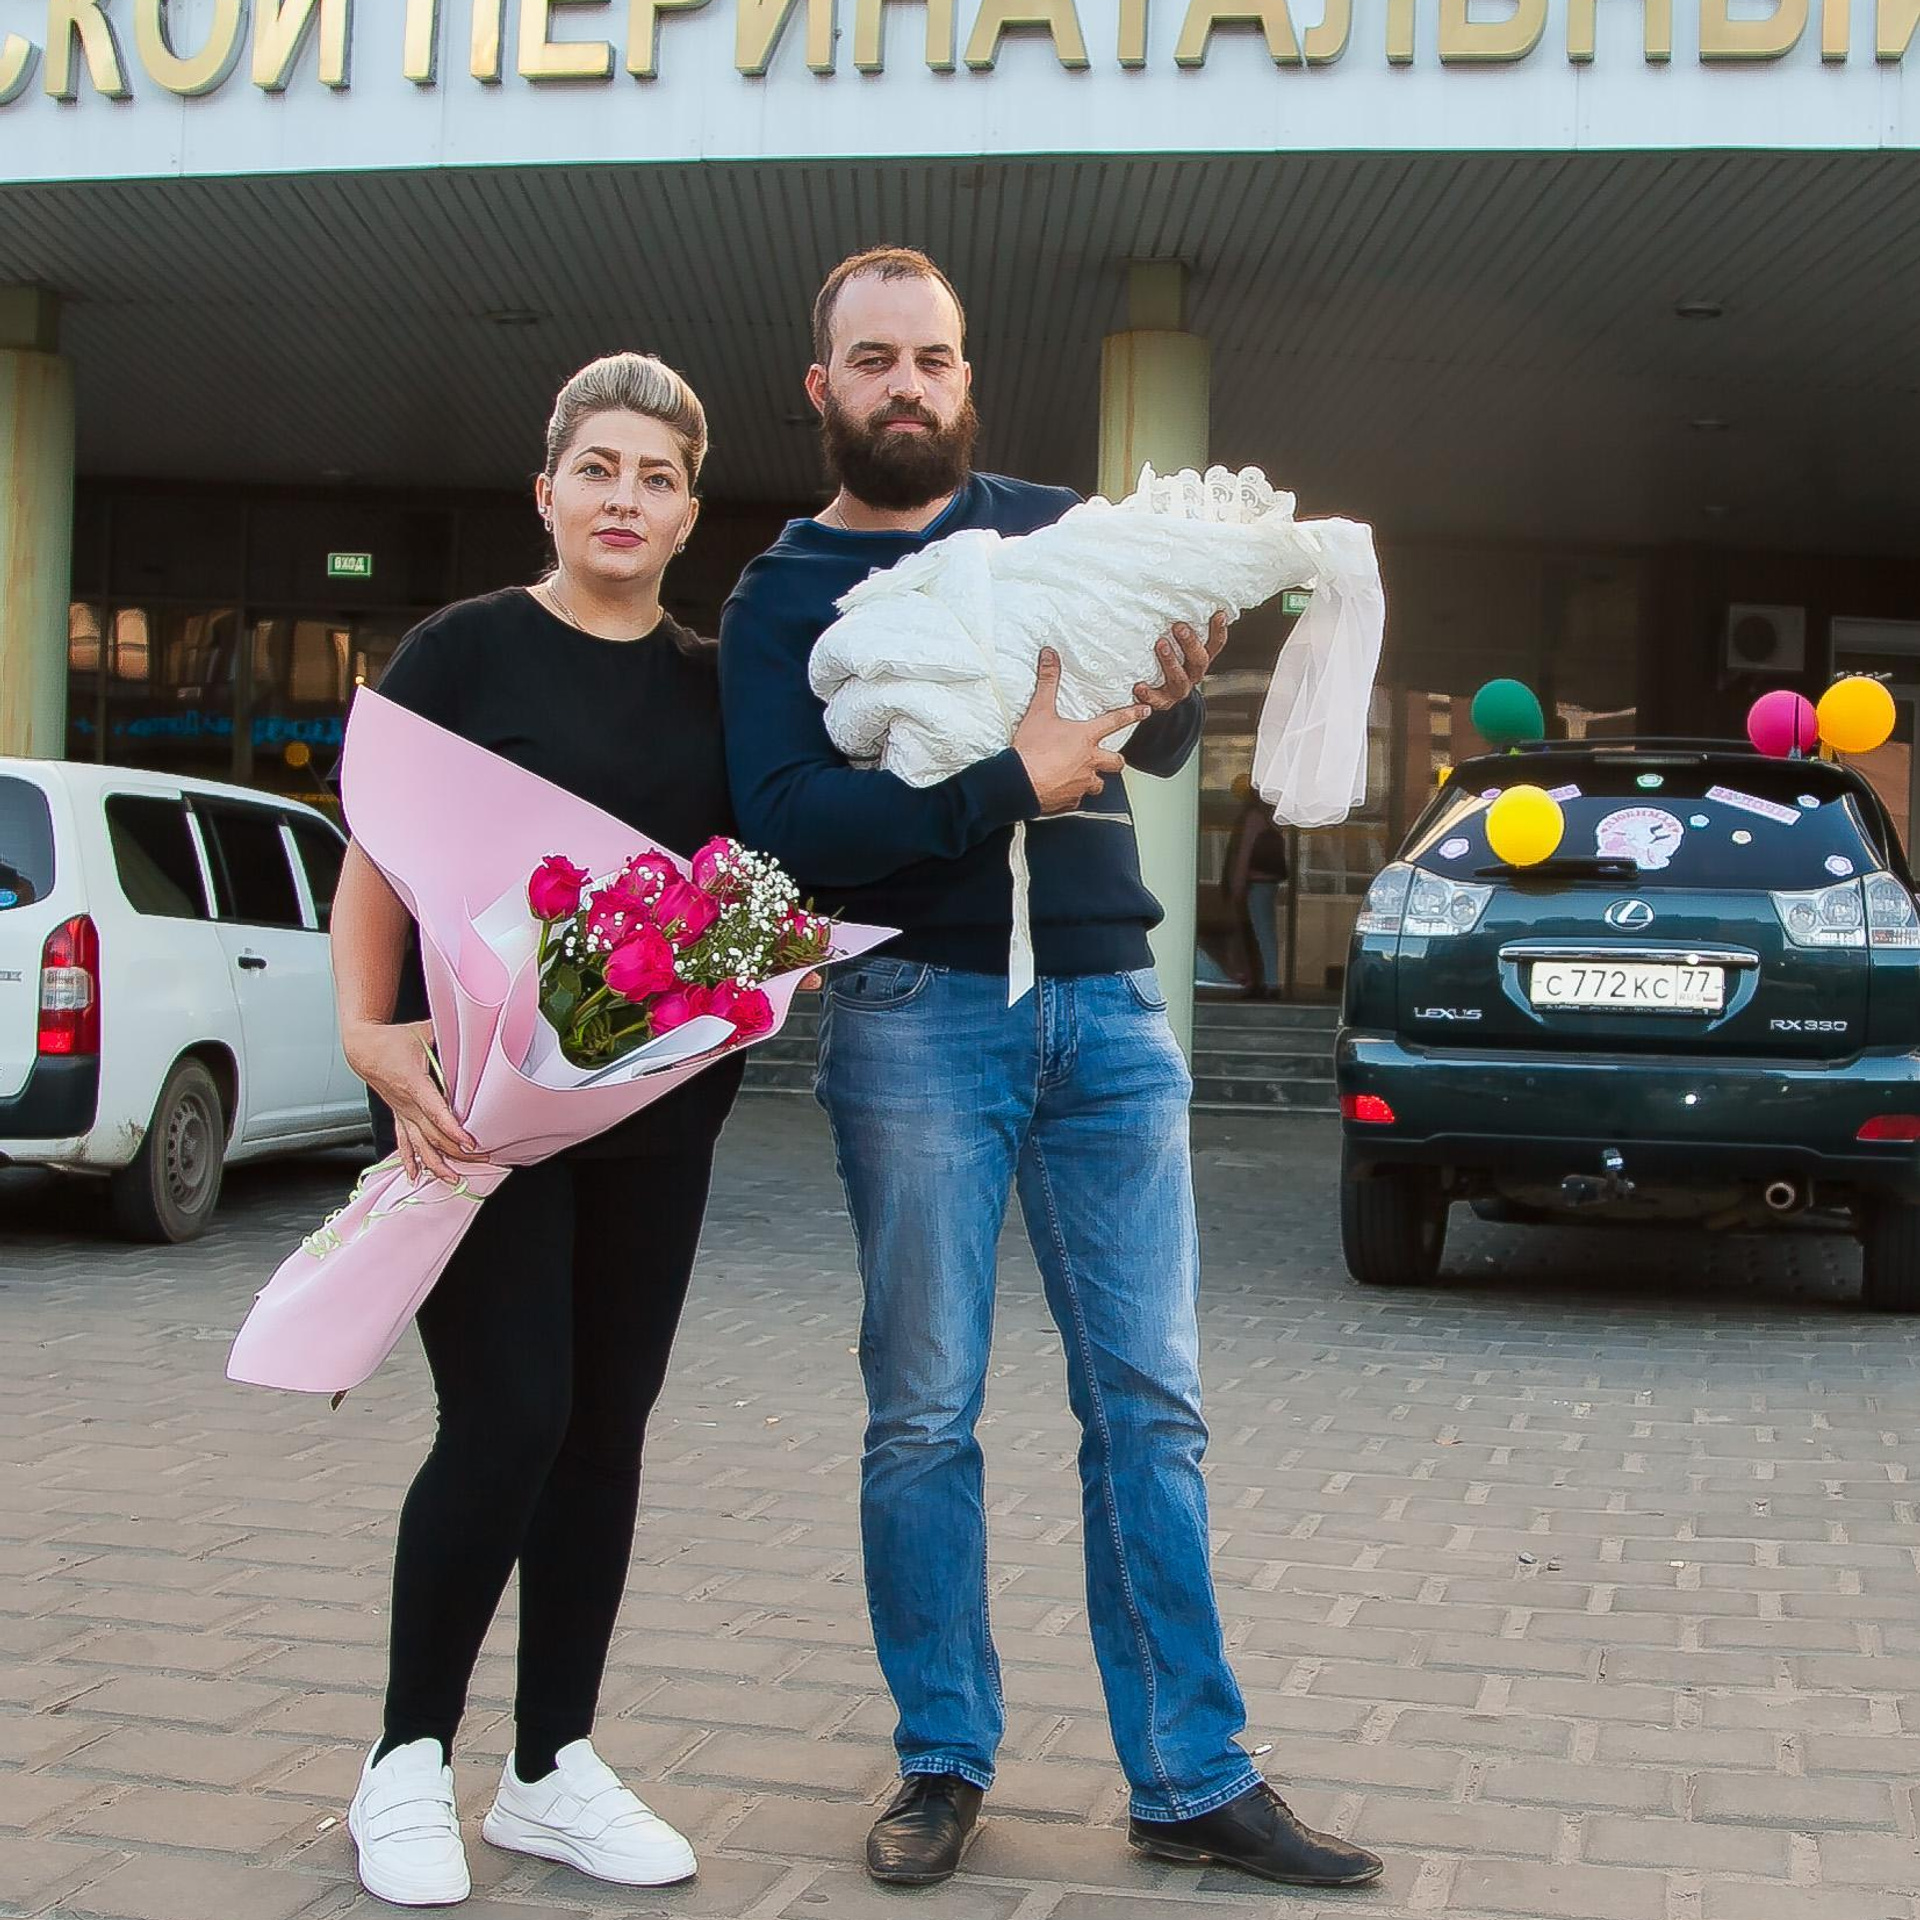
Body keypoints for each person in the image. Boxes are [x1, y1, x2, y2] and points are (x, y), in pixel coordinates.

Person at [720, 248, 1383, 1895]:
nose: (906, 388)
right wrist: (996, 786)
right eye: (872, 362)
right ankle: (943, 1762)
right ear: (823, 390)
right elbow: (793, 828)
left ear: (966, 374)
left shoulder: (1052, 527)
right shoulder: (784, 591)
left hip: (1105, 1000)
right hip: (916, 1014)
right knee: (924, 1417)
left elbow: (1139, 734)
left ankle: (1192, 1774)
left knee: (1150, 1406)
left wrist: (1172, 688)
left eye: (931, 360)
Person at [334, 353, 741, 1907]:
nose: (623, 498)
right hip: (480, 1119)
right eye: (599, 469)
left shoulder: (714, 685)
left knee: (602, 1436)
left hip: (655, 1120)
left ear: (688, 511)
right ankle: (403, 1762)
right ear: (547, 490)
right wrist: (369, 1032)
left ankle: (551, 1767)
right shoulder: (464, 651)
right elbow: (381, 853)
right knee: (506, 1419)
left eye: (654, 478)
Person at [1222, 776, 1291, 995]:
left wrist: (1236, 884)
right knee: (1265, 932)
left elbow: (1244, 852)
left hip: (1255, 884)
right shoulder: (1272, 818)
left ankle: (1266, 982)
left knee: (1259, 933)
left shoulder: (1253, 817)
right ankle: (1267, 980)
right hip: (1269, 883)